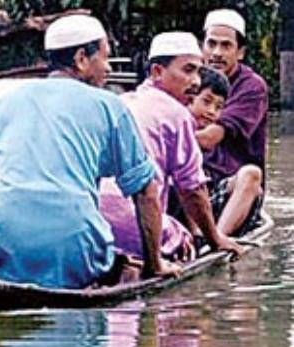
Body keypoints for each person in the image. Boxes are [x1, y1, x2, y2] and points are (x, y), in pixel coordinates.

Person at [0, 14, 180, 289]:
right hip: (76, 253)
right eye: (105, 57)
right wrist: (154, 264)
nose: (109, 68)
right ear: (81, 59)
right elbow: (146, 192)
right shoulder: (110, 106)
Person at [101, 32, 242, 259]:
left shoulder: (121, 102)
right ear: (157, 71)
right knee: (183, 241)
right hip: (134, 223)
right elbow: (192, 189)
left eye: (198, 71)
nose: (196, 81)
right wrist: (216, 239)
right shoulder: (177, 114)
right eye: (188, 70)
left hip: (93, 223)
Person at [197, 8, 268, 236]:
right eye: (211, 44)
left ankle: (215, 240)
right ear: (202, 47)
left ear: (240, 52)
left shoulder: (252, 87)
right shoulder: (191, 79)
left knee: (250, 174)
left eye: (226, 46)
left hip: (228, 185)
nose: (216, 53)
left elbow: (209, 139)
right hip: (193, 181)